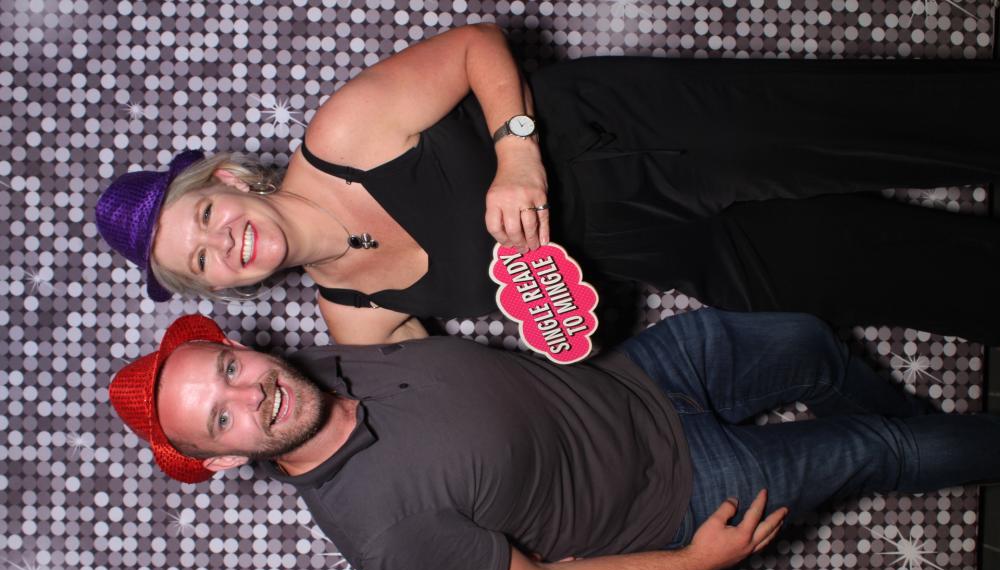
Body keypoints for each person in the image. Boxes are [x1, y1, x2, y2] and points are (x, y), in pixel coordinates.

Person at [96, 24, 1000, 346]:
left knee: (876, 127)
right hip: (644, 250)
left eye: (204, 218)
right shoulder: (355, 318)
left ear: (227, 181)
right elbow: (438, 404)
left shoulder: (341, 135)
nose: (223, 244)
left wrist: (516, 151)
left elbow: (476, 45)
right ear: (219, 287)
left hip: (618, 134)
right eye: (201, 262)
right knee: (886, 273)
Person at [108, 309, 1000, 570]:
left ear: (238, 346)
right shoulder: (380, 531)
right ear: (222, 461)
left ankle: (923, 437)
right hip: (685, 493)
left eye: (228, 370)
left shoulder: (324, 356)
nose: (251, 395)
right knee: (878, 451)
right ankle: (924, 446)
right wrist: (697, 561)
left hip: (645, 374)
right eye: (220, 417)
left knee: (808, 340)